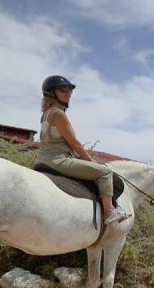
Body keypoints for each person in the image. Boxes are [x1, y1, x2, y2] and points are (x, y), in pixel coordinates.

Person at [34, 75, 129, 225]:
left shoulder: (45, 114)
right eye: (64, 89)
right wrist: (92, 162)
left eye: (70, 89)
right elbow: (75, 144)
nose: (69, 92)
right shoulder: (59, 114)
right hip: (58, 160)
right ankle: (109, 212)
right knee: (105, 173)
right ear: (51, 93)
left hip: (44, 159)